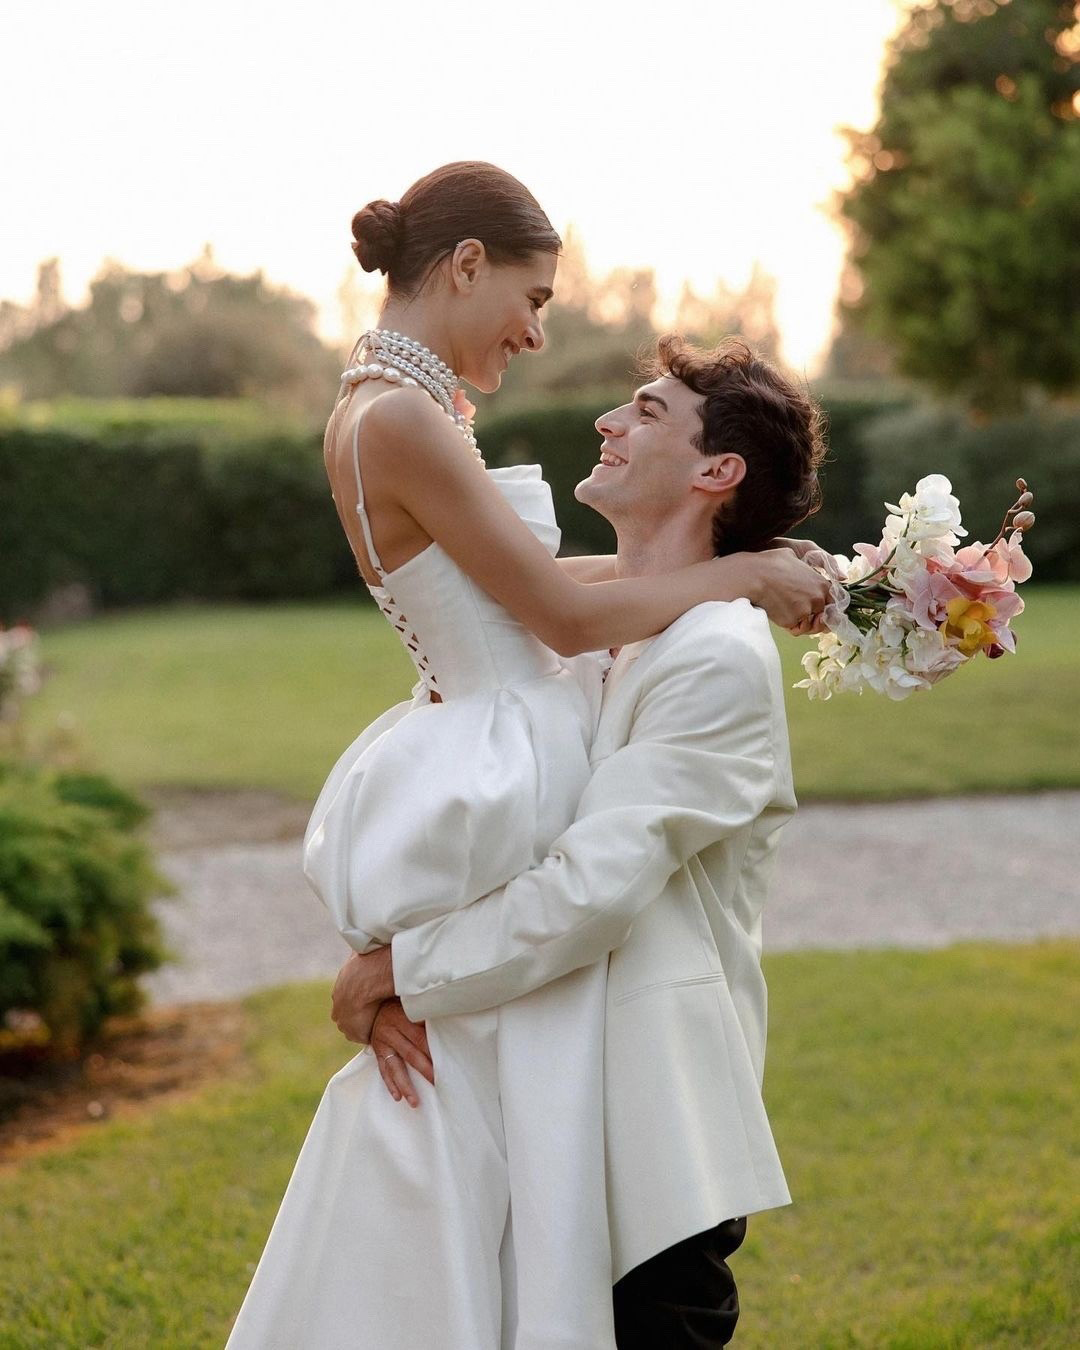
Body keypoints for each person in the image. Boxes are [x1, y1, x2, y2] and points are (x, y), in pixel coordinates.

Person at [224, 161, 830, 1350]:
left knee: (495, 1130)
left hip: (502, 722)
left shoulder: (405, 407)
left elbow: (540, 591)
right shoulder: (399, 417)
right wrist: (747, 572)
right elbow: (553, 616)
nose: (541, 332)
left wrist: (745, 576)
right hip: (505, 733)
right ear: (463, 266)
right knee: (477, 1126)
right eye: (535, 297)